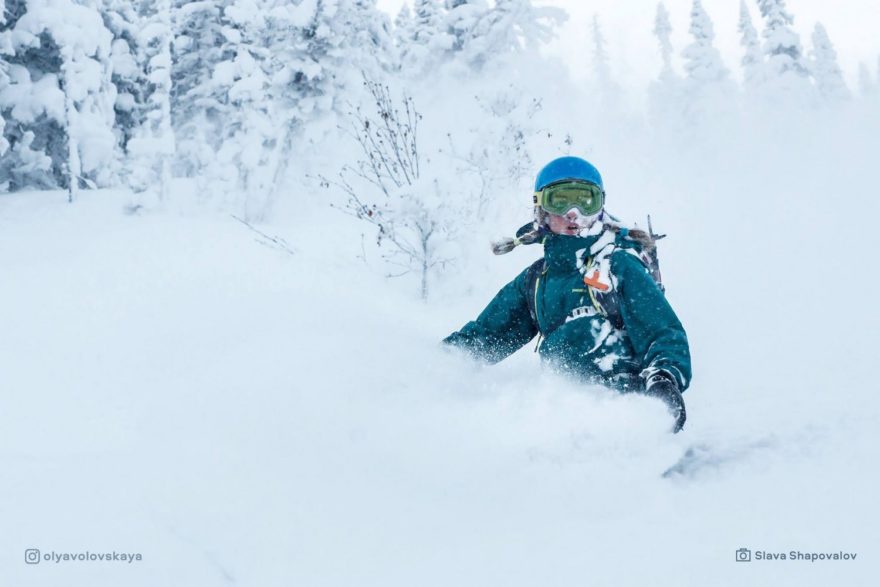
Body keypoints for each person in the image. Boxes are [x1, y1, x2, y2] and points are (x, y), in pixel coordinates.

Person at [443, 156, 692, 432]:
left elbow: (662, 332)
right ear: (542, 211)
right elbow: (484, 338)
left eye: (586, 201)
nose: (573, 212)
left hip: (624, 412)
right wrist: (437, 364)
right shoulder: (535, 281)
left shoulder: (619, 265)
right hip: (562, 420)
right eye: (559, 200)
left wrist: (664, 380)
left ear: (600, 208)